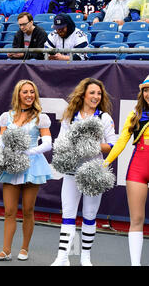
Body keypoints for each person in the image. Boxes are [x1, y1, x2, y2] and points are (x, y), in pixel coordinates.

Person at [51, 78, 117, 266]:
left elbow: (112, 145)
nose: (96, 96)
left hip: (94, 173)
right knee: (68, 215)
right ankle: (62, 257)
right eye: (92, 93)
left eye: (99, 93)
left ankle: (85, 257)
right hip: (71, 172)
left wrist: (92, 147)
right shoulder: (70, 115)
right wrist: (72, 148)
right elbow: (61, 142)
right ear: (83, 94)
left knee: (89, 215)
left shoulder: (104, 117)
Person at [0, 79, 52, 262]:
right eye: (25, 92)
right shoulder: (7, 116)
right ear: (18, 94)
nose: (29, 95)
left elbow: (48, 143)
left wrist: (29, 151)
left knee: (28, 210)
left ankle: (24, 248)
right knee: (9, 211)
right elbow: (1, 141)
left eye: (32, 92)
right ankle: (6, 251)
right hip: (11, 166)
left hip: (32, 165)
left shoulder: (40, 117)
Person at [104, 75, 149, 266]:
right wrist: (105, 163)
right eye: (145, 90)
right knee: (136, 218)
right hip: (138, 167)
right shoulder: (135, 115)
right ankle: (135, 264)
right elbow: (121, 141)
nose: (148, 94)